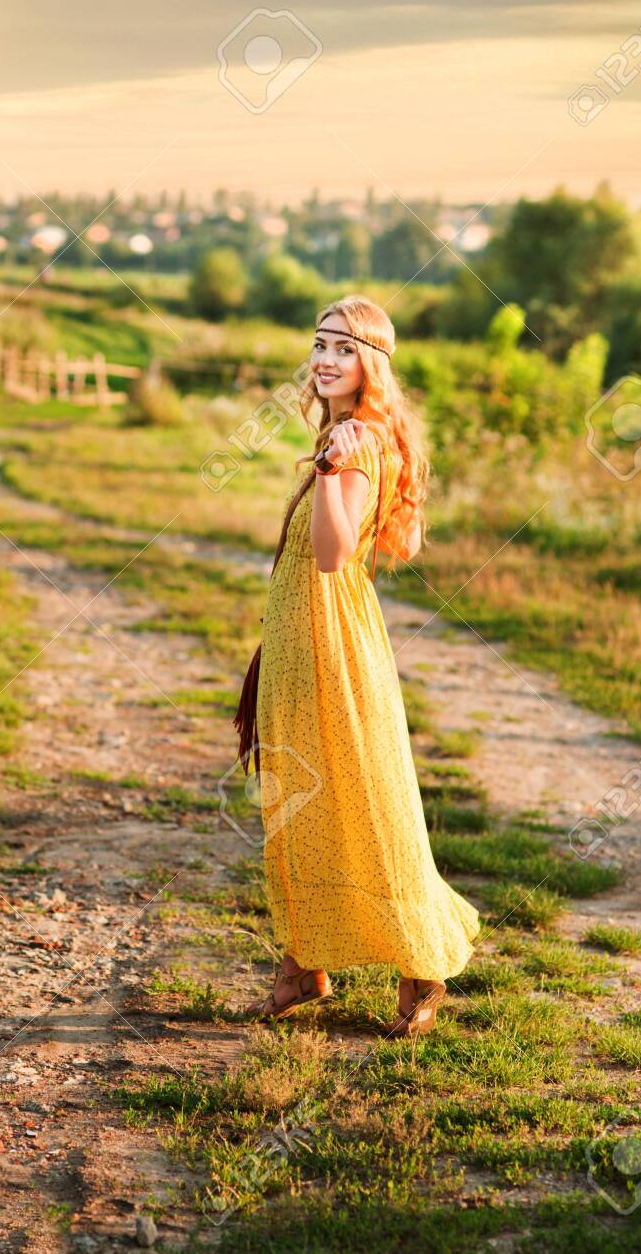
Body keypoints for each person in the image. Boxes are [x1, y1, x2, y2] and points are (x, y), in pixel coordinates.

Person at [244, 295, 481, 1037]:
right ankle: (303, 962)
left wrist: (330, 469)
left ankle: (422, 964)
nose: (324, 359)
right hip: (308, 634)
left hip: (328, 641)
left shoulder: (352, 439)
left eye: (343, 348)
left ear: (369, 362)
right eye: (318, 344)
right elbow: (397, 546)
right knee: (307, 800)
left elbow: (332, 553)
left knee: (362, 797)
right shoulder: (362, 434)